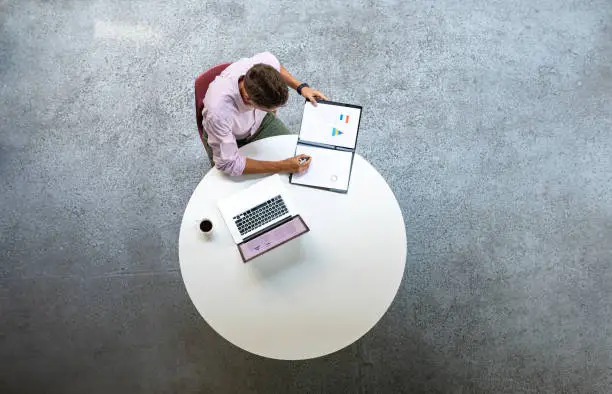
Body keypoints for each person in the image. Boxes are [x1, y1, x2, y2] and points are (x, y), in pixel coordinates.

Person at [202, 52, 328, 176]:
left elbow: (276, 66)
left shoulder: (262, 65)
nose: (275, 112)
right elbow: (228, 164)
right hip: (225, 134)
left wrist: (301, 87)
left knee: (296, 156)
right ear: (248, 99)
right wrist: (283, 166)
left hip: (261, 123)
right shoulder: (218, 113)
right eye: (270, 109)